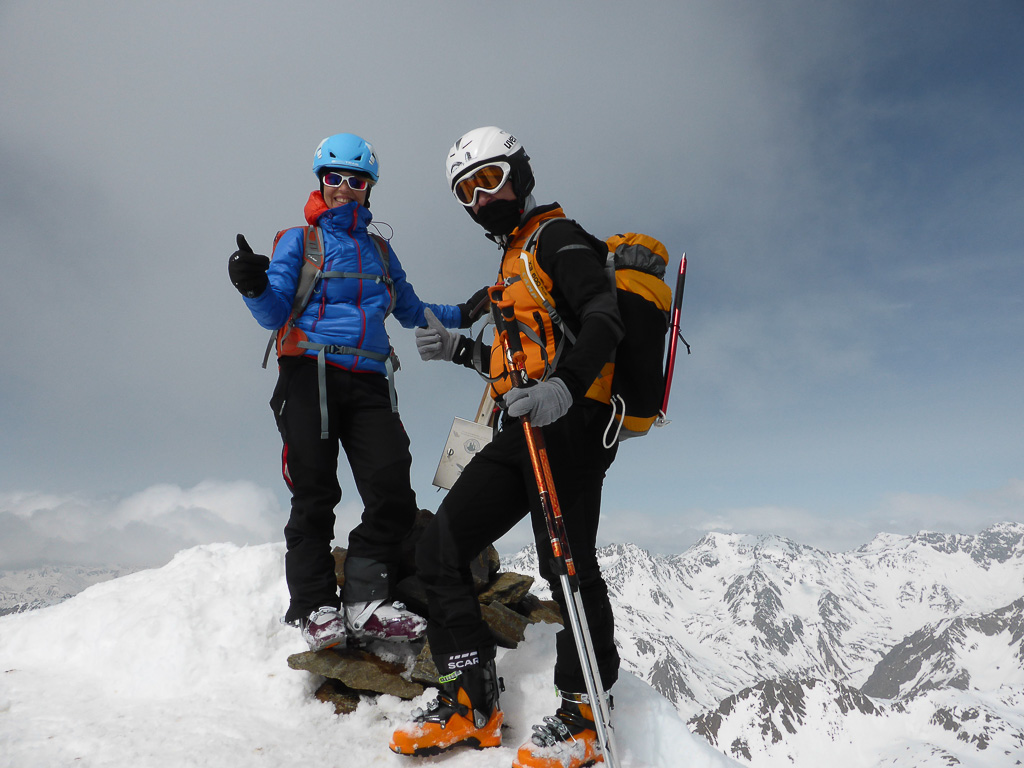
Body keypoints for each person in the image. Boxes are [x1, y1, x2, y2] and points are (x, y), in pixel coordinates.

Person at [389, 128, 625, 768]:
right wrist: (459, 350)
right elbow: (517, 363)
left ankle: (583, 718)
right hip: (520, 430)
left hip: (572, 426)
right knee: (440, 548)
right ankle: (471, 703)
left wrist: (564, 389)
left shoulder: (557, 238)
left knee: (568, 567)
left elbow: (604, 318)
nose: (481, 198)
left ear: (520, 175)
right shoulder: (512, 258)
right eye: (467, 191)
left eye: (490, 179)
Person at [228, 133, 483, 652]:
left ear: (370, 188)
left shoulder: (380, 252)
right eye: (334, 177)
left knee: (392, 488)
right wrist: (253, 286)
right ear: (320, 180)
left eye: (356, 180)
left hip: (369, 379)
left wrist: (467, 311)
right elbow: (274, 314)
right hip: (309, 374)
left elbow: (411, 310)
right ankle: (314, 606)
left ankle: (366, 601)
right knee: (314, 491)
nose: (344, 187)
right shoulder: (298, 241)